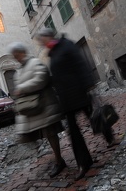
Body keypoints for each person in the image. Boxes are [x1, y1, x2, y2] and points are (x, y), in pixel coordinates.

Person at [36, 28, 107, 180]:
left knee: (94, 118)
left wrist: (89, 84)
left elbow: (81, 64)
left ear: (49, 37)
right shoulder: (51, 53)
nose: (41, 43)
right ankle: (84, 163)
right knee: (73, 132)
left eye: (42, 39)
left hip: (80, 93)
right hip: (66, 99)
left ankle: (108, 135)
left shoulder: (66, 45)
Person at [8, 42, 66, 178]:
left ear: (22, 52)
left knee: (51, 134)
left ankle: (59, 160)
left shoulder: (35, 63)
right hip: (32, 109)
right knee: (32, 135)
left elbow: (42, 79)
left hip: (44, 106)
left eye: (16, 55)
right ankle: (54, 159)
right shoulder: (19, 70)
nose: (15, 58)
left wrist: (23, 89)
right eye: (14, 56)